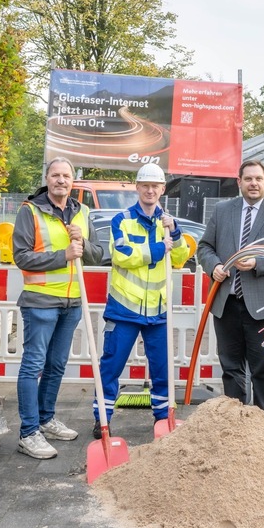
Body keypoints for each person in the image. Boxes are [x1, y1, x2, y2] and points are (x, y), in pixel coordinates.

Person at [11, 157, 104, 459]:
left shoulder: (83, 212)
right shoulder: (31, 211)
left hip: (72, 302)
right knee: (33, 366)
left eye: (66, 176)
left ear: (73, 180)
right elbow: (22, 256)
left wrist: (83, 245)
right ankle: (28, 432)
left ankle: (46, 419)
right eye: (55, 175)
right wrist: (62, 255)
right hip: (40, 301)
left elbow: (97, 255)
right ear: (47, 179)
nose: (61, 180)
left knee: (56, 365)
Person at [93, 162, 193, 437]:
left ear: (162, 189)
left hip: (158, 312)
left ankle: (163, 419)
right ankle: (102, 418)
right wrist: (161, 246)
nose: (150, 190)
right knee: (111, 366)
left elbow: (180, 258)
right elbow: (123, 256)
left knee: (162, 369)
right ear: (137, 187)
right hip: (124, 309)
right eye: (145, 185)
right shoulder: (122, 220)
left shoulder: (168, 222)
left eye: (155, 186)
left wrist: (174, 233)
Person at [197, 160, 264, 413]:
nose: (253, 183)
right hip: (226, 303)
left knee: (263, 367)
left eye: (258, 179)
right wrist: (215, 266)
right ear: (238, 182)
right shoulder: (222, 210)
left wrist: (257, 262)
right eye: (248, 179)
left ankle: (262, 424)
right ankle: (235, 419)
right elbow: (204, 247)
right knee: (231, 367)